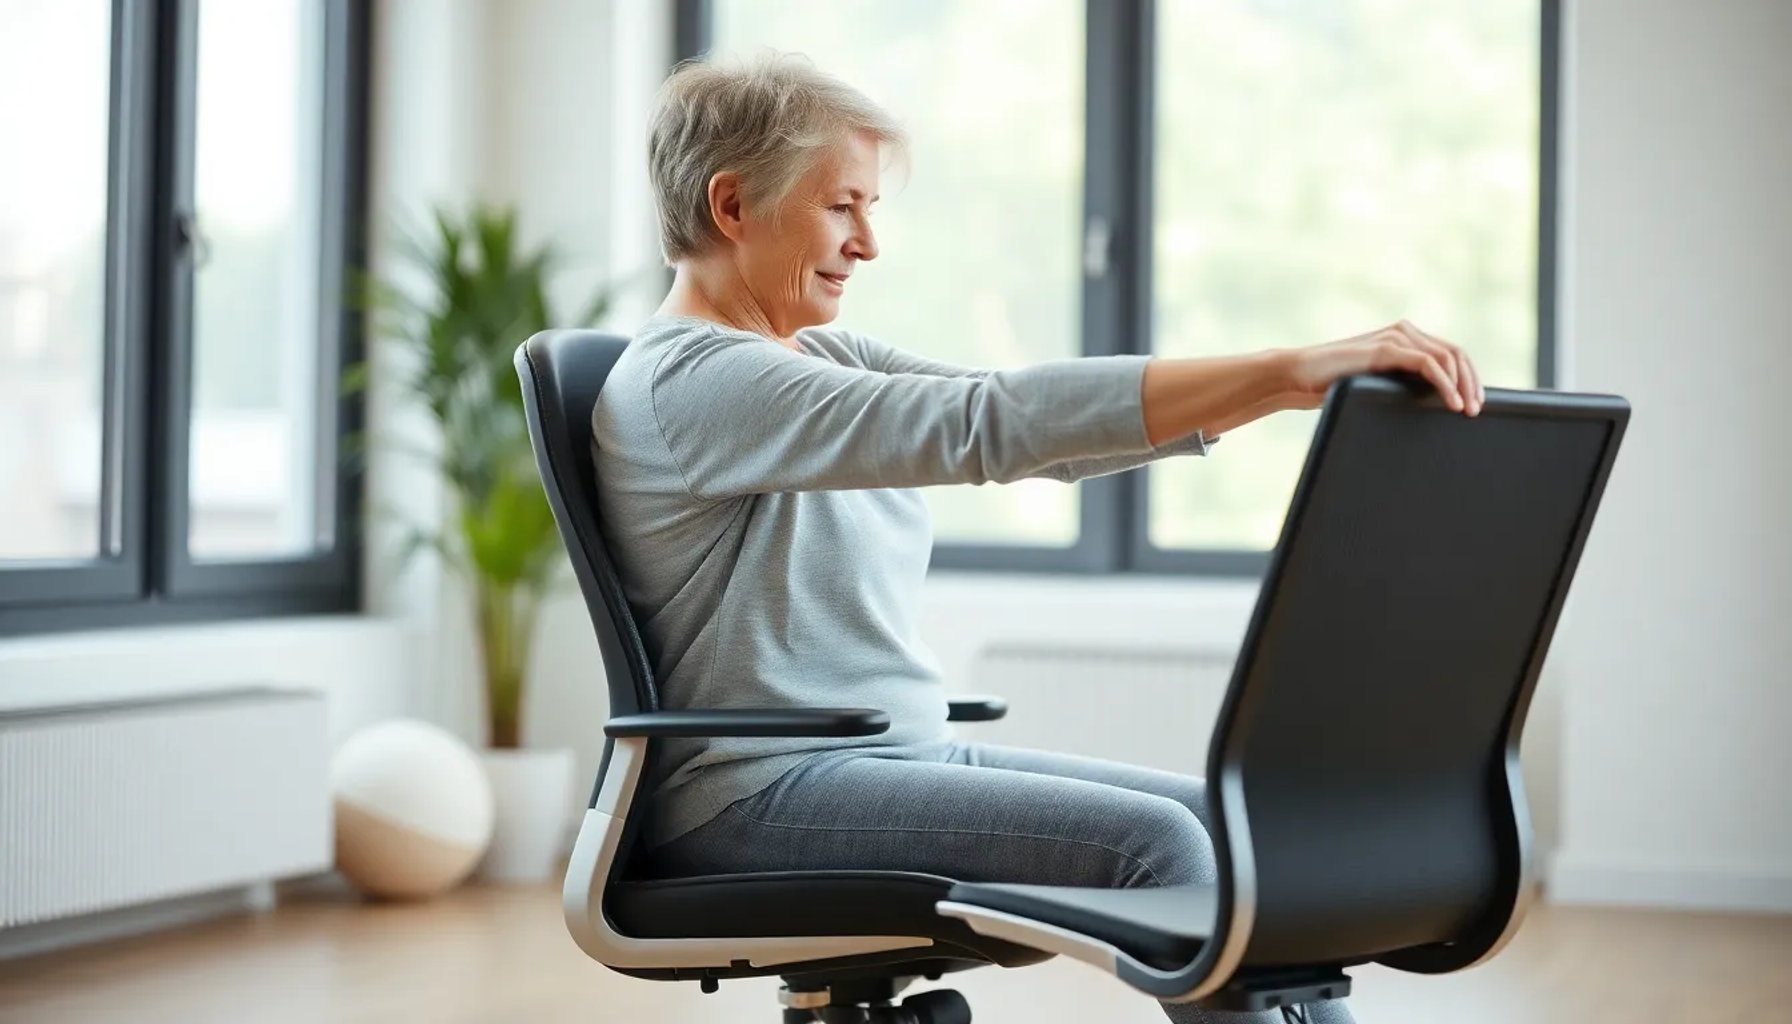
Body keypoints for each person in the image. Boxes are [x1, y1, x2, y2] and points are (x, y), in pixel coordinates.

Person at [592, 52, 1484, 1024]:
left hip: (885, 763)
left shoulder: (818, 355)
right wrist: (1288, 368)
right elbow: (993, 423)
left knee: (1226, 825)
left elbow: (1031, 435)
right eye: (842, 205)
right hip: (754, 797)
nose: (866, 243)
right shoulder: (695, 381)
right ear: (731, 206)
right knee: (1157, 848)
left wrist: (1278, 389)